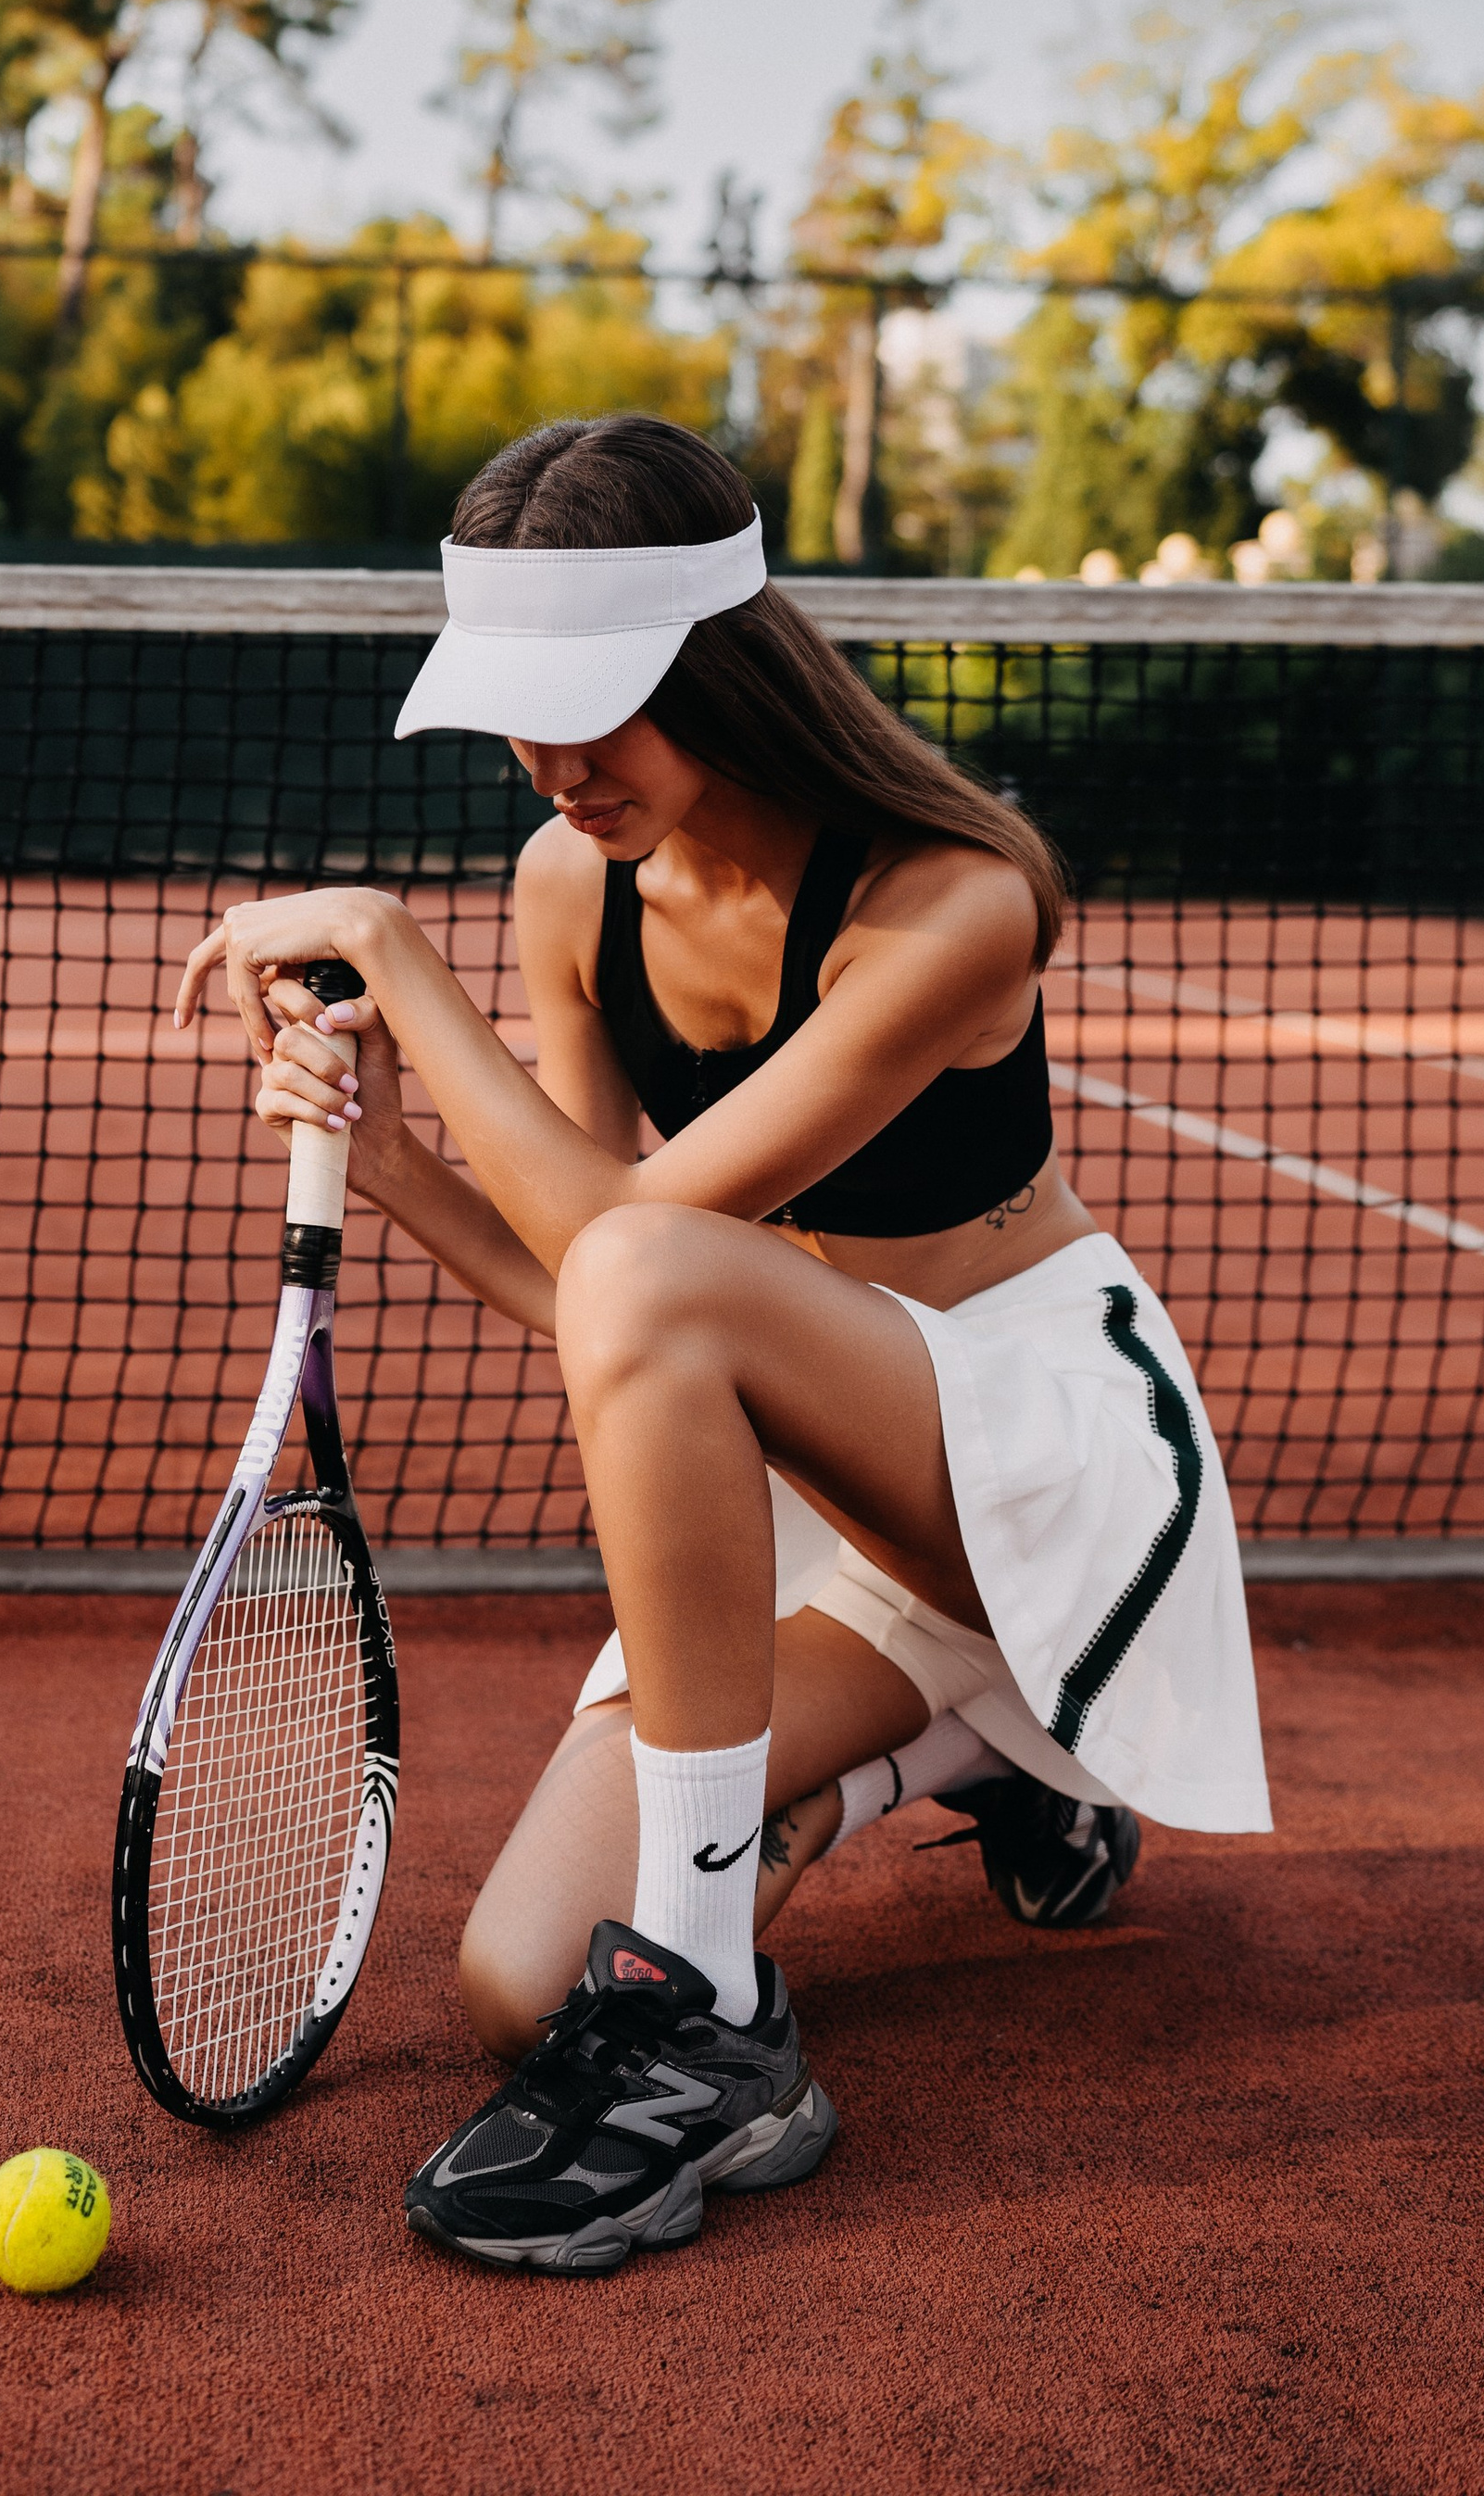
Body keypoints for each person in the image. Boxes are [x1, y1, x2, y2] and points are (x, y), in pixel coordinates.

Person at [176, 414, 1270, 2276]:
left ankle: (704, 2011)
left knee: (656, 1283)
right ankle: (964, 1775)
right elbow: (588, 1300)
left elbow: (633, 1250)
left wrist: (384, 946)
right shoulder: (567, 883)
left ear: (719, 662)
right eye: (514, 711)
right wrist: (393, 1167)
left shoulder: (951, 906)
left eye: (591, 703)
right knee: (515, 1986)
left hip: (1030, 1455)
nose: (548, 761)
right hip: (817, 1496)